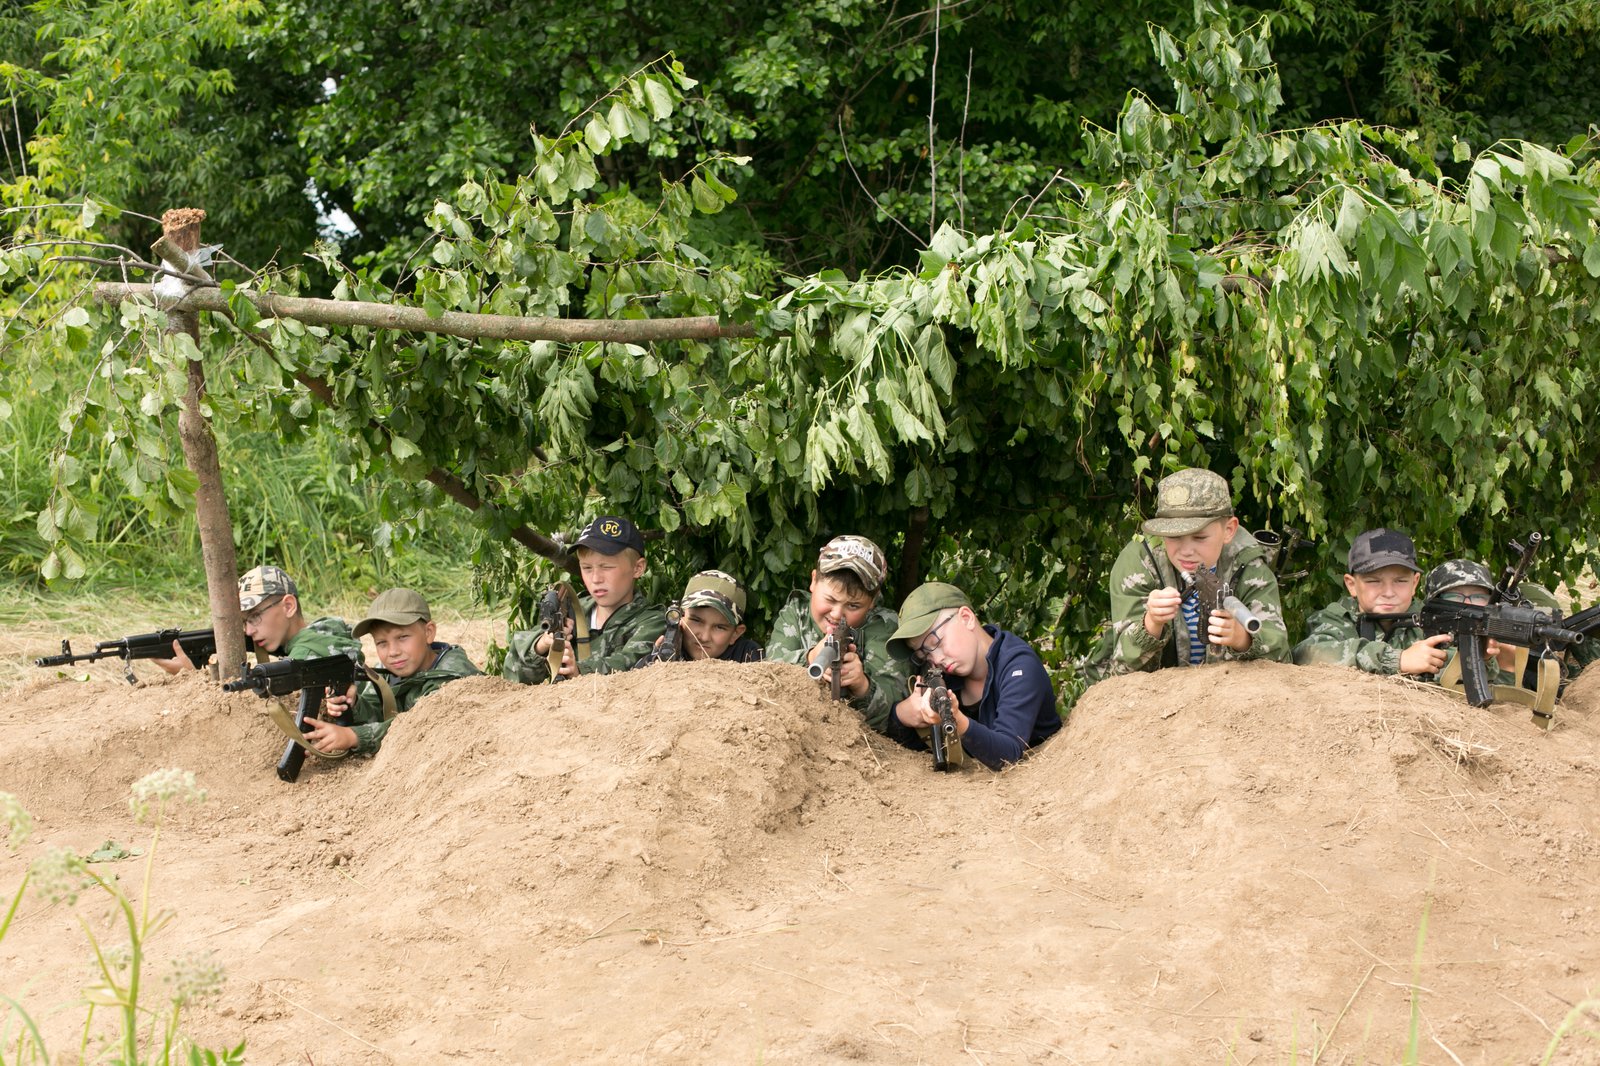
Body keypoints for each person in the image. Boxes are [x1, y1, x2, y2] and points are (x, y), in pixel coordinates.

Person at [1084, 467, 1290, 679]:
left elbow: (1281, 658)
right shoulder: (1139, 563)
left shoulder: (1249, 563)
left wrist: (1242, 640)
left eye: (1199, 538)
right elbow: (1122, 671)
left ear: (1229, 530)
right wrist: (1152, 624)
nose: (1186, 551)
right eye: (1173, 537)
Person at [887, 582, 1060, 770]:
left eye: (935, 642)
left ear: (966, 618)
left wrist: (957, 721)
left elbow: (1008, 754)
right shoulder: (947, 678)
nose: (936, 659)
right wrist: (902, 714)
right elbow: (911, 748)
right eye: (924, 655)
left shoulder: (1019, 666)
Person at [308, 588, 480, 757]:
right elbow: (380, 711)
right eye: (382, 642)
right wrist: (354, 704)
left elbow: (419, 729)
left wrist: (353, 737)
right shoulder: (389, 672)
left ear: (428, 633)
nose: (393, 652)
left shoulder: (452, 676)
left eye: (402, 637)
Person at [765, 535, 909, 732]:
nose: (837, 614)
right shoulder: (797, 612)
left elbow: (897, 713)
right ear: (814, 580)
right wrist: (809, 658)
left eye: (853, 605)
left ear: (873, 600)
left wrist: (862, 686)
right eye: (830, 599)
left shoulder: (884, 627)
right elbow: (767, 675)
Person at [502, 515, 667, 684]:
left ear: (638, 568)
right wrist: (542, 645)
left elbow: (630, 663)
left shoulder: (653, 621)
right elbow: (512, 675)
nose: (595, 578)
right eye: (586, 568)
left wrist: (580, 672)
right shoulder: (573, 610)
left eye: (607, 567)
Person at [1293, 529, 1453, 676]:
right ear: (1352, 585)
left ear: (1414, 583)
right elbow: (1309, 653)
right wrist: (1397, 660)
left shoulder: (1433, 620)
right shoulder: (1338, 618)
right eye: (1374, 581)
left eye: (1400, 581)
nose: (1389, 593)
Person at [154, 564, 360, 672]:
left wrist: (194, 678)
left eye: (254, 617)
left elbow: (262, 710)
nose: (249, 631)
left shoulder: (307, 654)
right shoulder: (324, 633)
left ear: (288, 606)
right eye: (243, 622)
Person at [634, 570, 764, 666]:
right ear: (680, 617)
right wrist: (655, 664)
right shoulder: (668, 647)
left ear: (736, 633)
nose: (705, 637)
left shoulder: (749, 656)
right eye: (696, 621)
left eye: (719, 627)